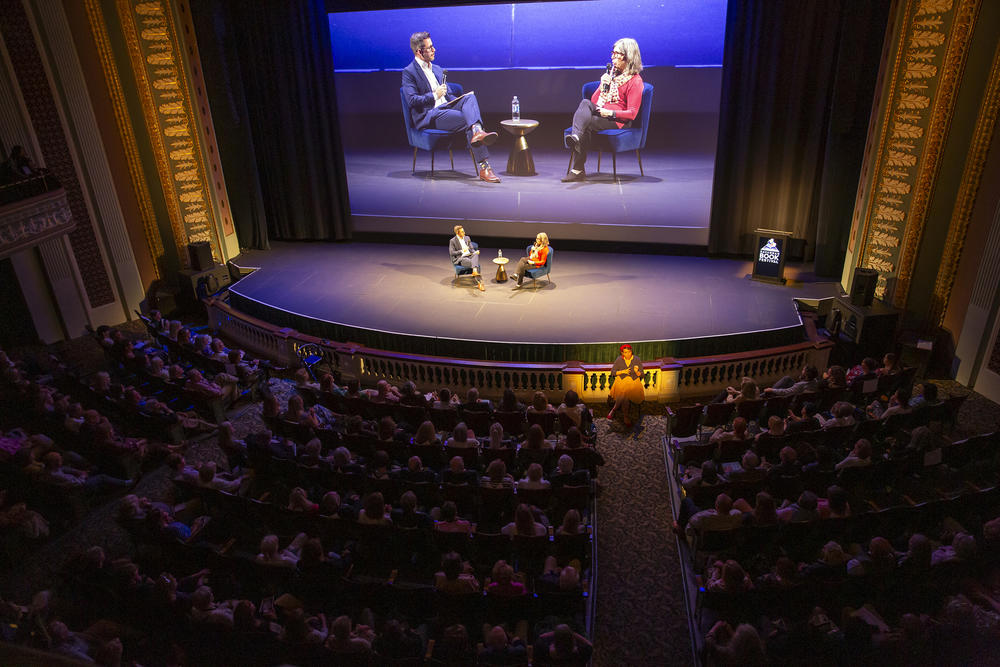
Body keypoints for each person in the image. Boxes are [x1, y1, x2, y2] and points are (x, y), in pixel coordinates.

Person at [402, 32, 500, 183]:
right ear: (419, 52)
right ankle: (484, 166)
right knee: (469, 119)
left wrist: (460, 102)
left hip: (447, 107)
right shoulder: (409, 72)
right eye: (430, 48)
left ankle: (477, 132)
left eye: (433, 46)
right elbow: (412, 101)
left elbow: (450, 96)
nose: (434, 50)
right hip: (431, 115)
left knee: (469, 97)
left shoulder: (437, 69)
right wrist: (435, 95)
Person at [563, 37, 644, 182]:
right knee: (585, 103)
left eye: (617, 54)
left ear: (628, 56)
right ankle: (575, 138)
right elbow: (595, 102)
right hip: (602, 114)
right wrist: (602, 84)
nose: (613, 57)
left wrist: (611, 113)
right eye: (612, 53)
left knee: (586, 124)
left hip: (618, 120)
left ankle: (578, 169)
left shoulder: (635, 81)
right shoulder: (611, 76)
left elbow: (632, 114)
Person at [607, 343, 643, 426]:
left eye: (629, 352)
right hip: (621, 380)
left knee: (624, 391)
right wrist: (623, 371)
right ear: (622, 353)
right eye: (625, 352)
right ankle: (626, 417)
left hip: (633, 381)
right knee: (625, 394)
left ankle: (614, 409)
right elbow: (613, 372)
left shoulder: (636, 359)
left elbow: (642, 374)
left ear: (631, 351)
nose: (628, 354)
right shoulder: (619, 359)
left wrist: (637, 372)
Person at [449, 225, 485, 291]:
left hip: (470, 255)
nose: (464, 233)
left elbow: (471, 249)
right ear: (457, 232)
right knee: (474, 264)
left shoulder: (467, 238)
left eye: (464, 231)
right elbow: (452, 253)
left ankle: (474, 271)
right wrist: (462, 251)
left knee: (475, 255)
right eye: (462, 232)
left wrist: (475, 252)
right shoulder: (453, 241)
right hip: (461, 258)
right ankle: (480, 283)